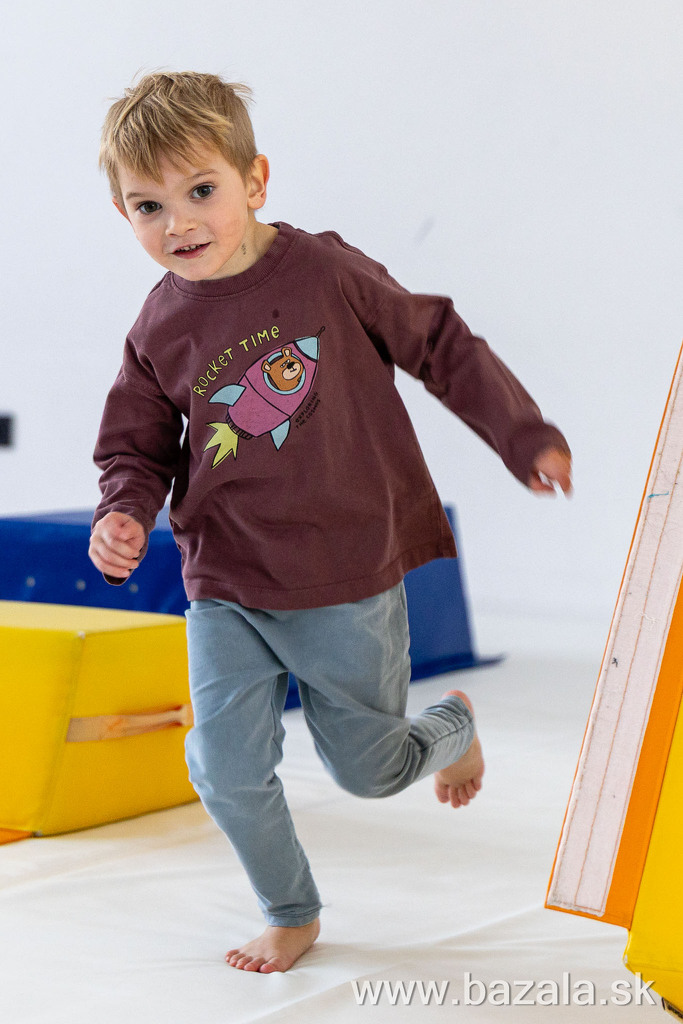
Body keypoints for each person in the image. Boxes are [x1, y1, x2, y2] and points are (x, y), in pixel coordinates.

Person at [89, 71, 572, 975]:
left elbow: (437, 341)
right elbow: (136, 447)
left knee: (368, 770)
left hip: (344, 570)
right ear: (124, 213)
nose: (178, 223)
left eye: (201, 191)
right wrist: (122, 510)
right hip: (225, 578)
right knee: (223, 767)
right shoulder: (158, 325)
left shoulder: (324, 271)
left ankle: (450, 728)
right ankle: (291, 910)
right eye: (149, 206)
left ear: (254, 180)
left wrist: (521, 434)